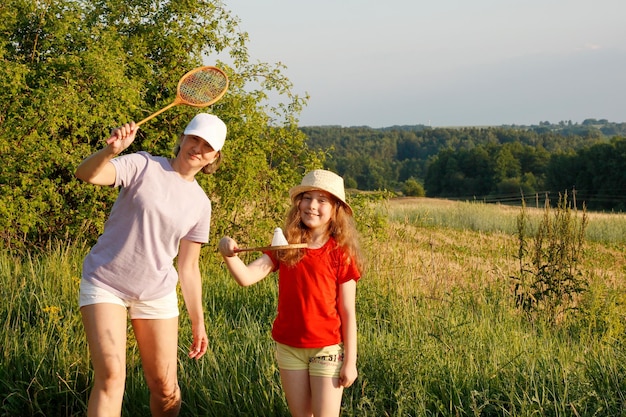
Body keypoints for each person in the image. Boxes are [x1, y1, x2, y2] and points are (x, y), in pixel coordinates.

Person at [75, 113, 226, 416]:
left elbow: (188, 267)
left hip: (156, 293)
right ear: (182, 138)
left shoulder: (201, 204)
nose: (197, 147)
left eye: (207, 145)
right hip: (106, 283)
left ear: (215, 157)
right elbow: (87, 175)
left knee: (165, 387)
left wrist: (198, 321)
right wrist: (111, 151)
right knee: (112, 376)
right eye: (194, 138)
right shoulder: (143, 164)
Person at [218, 169, 364, 417]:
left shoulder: (341, 253)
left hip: (326, 350)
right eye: (307, 198)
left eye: (322, 200)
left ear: (335, 209)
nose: (312, 206)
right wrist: (227, 253)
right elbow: (246, 277)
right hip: (289, 349)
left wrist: (350, 362)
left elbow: (348, 311)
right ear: (299, 203)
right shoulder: (285, 246)